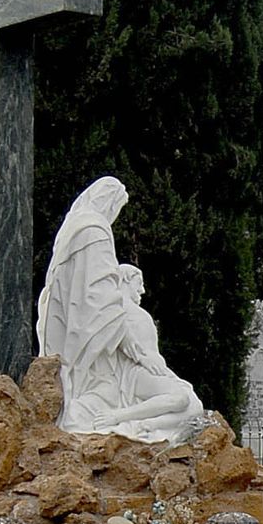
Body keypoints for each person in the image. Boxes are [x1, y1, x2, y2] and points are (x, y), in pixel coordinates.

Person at [35, 178, 207, 440]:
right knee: (92, 381)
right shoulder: (97, 229)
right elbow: (102, 294)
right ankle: (108, 414)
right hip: (94, 324)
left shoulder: (71, 229)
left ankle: (108, 411)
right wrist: (140, 353)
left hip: (72, 317)